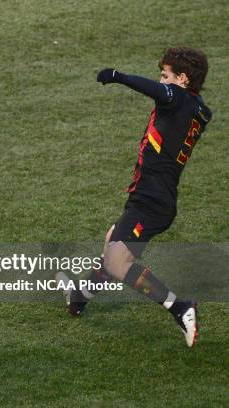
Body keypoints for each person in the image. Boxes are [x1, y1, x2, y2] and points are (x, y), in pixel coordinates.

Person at [56, 47, 212, 347]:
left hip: (151, 201)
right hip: (155, 198)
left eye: (165, 75)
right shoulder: (196, 108)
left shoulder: (177, 97)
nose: (160, 79)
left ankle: (180, 307)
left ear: (182, 79)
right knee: (112, 241)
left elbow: (158, 91)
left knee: (116, 261)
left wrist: (119, 76)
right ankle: (78, 298)